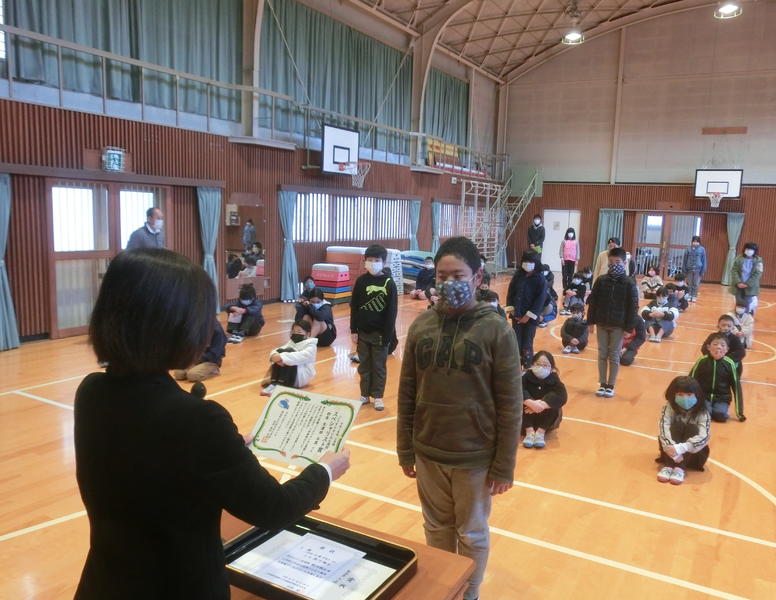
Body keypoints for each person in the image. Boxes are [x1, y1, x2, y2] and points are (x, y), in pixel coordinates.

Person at [74, 248, 350, 600]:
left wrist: (225, 451)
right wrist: (324, 470)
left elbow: (154, 464)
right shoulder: (199, 420)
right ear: (176, 325)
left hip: (104, 584)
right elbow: (273, 508)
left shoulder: (91, 391)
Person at [397, 236, 522, 600]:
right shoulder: (421, 327)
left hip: (475, 458)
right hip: (428, 452)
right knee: (436, 528)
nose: (449, 283)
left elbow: (511, 403)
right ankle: (443, 589)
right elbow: (407, 393)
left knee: (472, 533)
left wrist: (504, 465)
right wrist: (406, 449)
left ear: (477, 277)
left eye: (458, 276)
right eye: (442, 276)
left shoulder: (496, 330)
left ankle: (469, 594)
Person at [586, 247, 639, 398]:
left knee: (614, 355)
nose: (614, 264)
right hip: (601, 323)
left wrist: (629, 328)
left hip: (618, 326)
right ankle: (602, 384)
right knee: (602, 354)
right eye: (611, 262)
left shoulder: (629, 283)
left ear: (624, 263)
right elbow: (593, 302)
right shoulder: (601, 280)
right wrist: (590, 322)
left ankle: (611, 385)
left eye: (617, 262)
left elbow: (633, 307)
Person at [350, 244, 398, 411]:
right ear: (365, 261)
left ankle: (378, 396)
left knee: (378, 366)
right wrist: (353, 330)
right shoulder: (361, 281)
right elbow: (354, 307)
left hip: (380, 334)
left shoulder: (389, 284)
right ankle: (364, 394)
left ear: (383, 262)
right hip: (363, 332)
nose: (373, 263)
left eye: (376, 260)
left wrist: (388, 336)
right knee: (364, 365)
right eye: (369, 260)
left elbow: (392, 312)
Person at [655, 376, 711, 485]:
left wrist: (682, 448)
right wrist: (673, 451)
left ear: (697, 395)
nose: (685, 398)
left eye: (689, 395)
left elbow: (704, 436)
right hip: (670, 452)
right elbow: (663, 428)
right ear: (673, 394)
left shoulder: (703, 411)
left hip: (694, 455)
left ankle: (680, 468)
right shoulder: (669, 407)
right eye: (680, 394)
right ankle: (669, 466)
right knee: (677, 425)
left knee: (692, 428)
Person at [506, 251, 548, 368]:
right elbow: (511, 293)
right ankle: (516, 366)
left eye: (530, 261)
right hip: (516, 315)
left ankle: (527, 366)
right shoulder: (518, 275)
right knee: (516, 342)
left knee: (527, 343)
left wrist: (528, 316)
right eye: (525, 261)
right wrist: (512, 309)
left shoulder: (540, 279)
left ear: (536, 263)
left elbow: (540, 300)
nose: (527, 264)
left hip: (530, 319)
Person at [690, 333, 745, 422]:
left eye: (722, 345)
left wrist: (740, 413)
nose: (718, 347)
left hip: (722, 398)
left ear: (727, 349)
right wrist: (689, 405)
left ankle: (717, 410)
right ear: (708, 347)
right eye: (715, 344)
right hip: (704, 396)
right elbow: (691, 380)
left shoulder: (729, 363)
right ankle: (706, 409)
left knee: (721, 416)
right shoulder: (702, 361)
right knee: (705, 415)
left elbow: (736, 387)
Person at [520, 351, 567, 449]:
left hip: (546, 419)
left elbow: (562, 396)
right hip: (525, 419)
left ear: (551, 368)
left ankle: (540, 433)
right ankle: (529, 432)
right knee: (521, 401)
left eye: (545, 365)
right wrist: (530, 402)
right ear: (532, 365)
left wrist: (542, 404)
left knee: (553, 401)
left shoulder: (554, 379)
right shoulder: (526, 377)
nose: (541, 367)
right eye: (538, 364)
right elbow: (517, 389)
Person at [261, 321, 318, 396]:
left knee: (289, 354)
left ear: (307, 333)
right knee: (280, 352)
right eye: (294, 331)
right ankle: (274, 383)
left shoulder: (311, 346)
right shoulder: (292, 342)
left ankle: (283, 385)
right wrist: (274, 356)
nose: (296, 333)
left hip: (301, 375)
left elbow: (299, 356)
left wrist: (281, 358)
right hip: (292, 372)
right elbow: (278, 350)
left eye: (299, 332)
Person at [728, 242, 763, 315]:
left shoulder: (758, 261)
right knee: (739, 302)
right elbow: (734, 270)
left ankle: (746, 315)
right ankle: (738, 316)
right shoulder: (738, 258)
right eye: (747, 249)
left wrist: (747, 284)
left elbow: (758, 274)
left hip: (750, 286)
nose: (749, 251)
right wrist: (738, 282)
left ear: (755, 251)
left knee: (746, 302)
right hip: (738, 285)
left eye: (751, 249)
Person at [683, 236, 707, 302]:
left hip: (698, 269)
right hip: (689, 269)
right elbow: (685, 260)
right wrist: (684, 270)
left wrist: (703, 270)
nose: (695, 243)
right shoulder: (688, 249)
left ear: (699, 242)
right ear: (692, 242)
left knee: (696, 284)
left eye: (697, 242)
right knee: (689, 283)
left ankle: (694, 296)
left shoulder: (702, 249)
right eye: (694, 241)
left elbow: (704, 260)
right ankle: (689, 295)